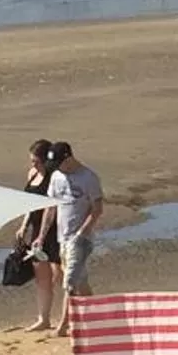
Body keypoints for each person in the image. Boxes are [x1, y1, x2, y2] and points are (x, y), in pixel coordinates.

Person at [41, 138, 105, 322]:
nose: (57, 168)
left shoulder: (88, 178)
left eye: (59, 163)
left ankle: (64, 325)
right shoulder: (56, 177)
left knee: (69, 283)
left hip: (80, 240)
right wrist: (42, 235)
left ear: (68, 159)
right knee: (81, 282)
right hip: (63, 237)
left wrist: (81, 233)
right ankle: (98, 316)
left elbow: (97, 209)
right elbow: (51, 207)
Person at [15, 140, 64, 332]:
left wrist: (43, 234)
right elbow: (29, 203)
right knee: (41, 277)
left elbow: (53, 206)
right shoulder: (32, 174)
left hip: (54, 230)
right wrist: (23, 226)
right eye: (31, 161)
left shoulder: (55, 178)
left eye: (36, 161)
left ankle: (72, 316)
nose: (33, 164)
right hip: (36, 230)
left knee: (60, 276)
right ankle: (43, 319)